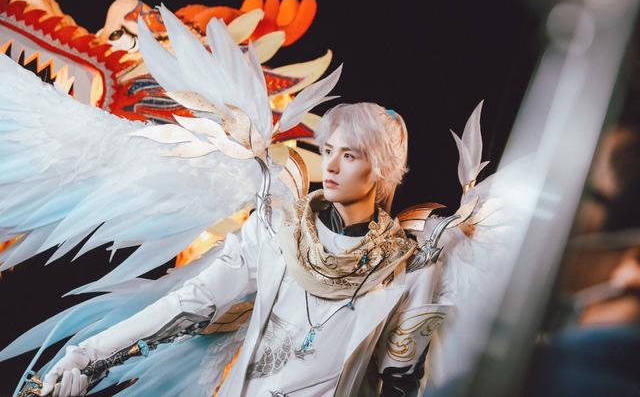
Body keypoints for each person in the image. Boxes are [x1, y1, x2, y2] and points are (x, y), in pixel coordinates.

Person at [39, 102, 449, 397]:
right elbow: (190, 302)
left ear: (380, 168)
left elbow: (401, 382)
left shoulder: (409, 270)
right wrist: (89, 356)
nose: (331, 165)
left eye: (349, 155)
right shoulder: (277, 232)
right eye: (328, 150)